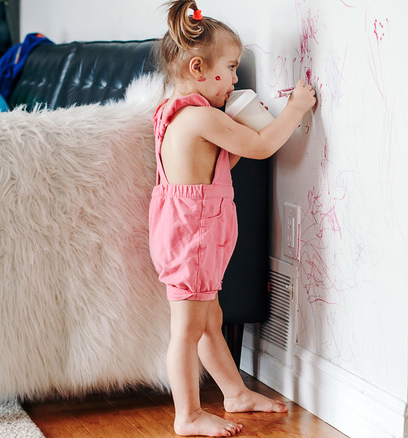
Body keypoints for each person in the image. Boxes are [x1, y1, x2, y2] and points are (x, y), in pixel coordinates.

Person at [148, 1, 316, 436]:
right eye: (232, 67)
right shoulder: (201, 116)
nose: (237, 78)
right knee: (187, 328)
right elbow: (262, 147)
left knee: (209, 321)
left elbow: (223, 166)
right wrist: (295, 110)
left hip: (190, 232)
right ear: (200, 68)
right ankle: (186, 415)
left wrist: (240, 133)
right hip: (194, 236)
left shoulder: (178, 114)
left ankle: (235, 393)